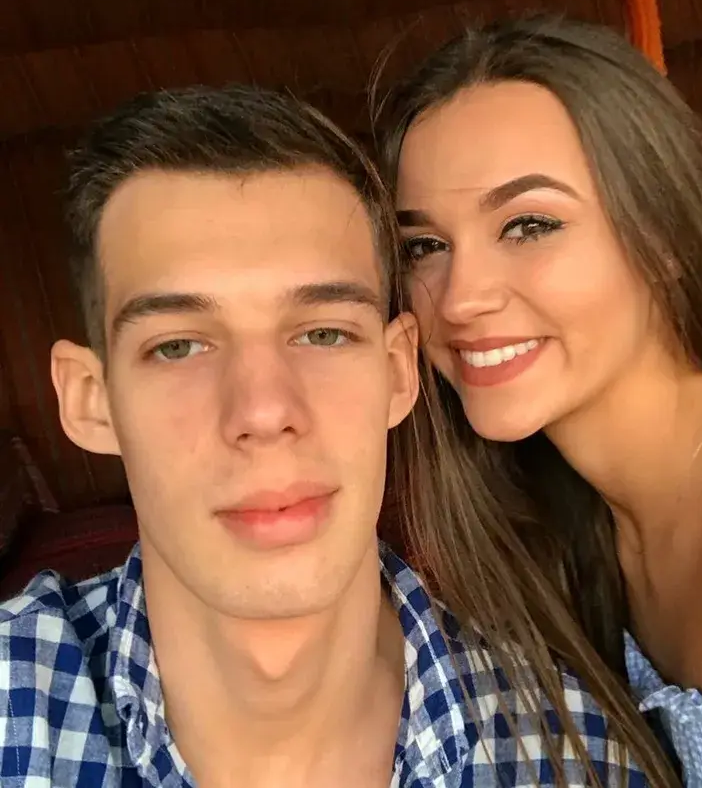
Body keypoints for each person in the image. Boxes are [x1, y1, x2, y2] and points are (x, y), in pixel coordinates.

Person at [0, 85, 654, 788]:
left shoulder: (573, 760)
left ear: (398, 372)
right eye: (179, 346)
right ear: (91, 400)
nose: (264, 411)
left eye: (323, 334)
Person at [374, 12, 702, 788]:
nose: (459, 298)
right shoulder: (557, 527)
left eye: (528, 225)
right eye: (424, 245)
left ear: (661, 234)